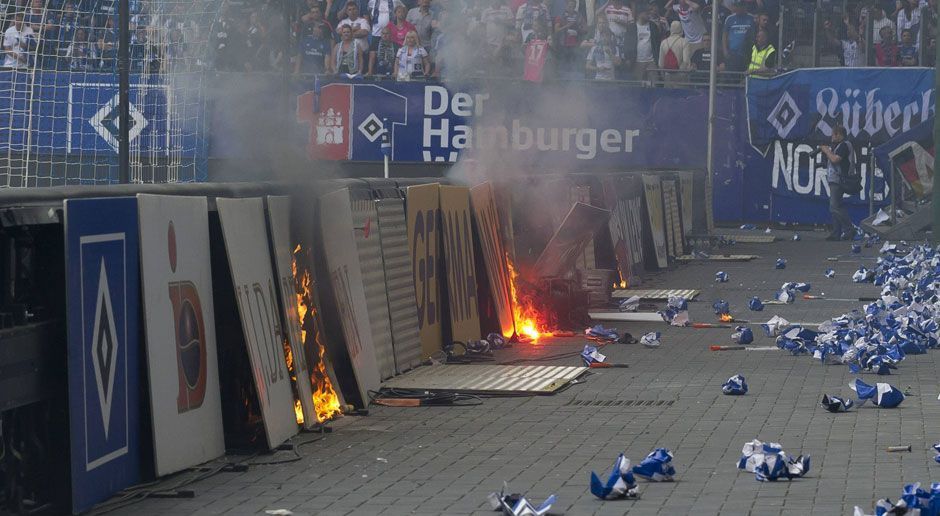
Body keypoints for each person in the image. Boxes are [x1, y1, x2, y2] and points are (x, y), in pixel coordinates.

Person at [820, 125, 856, 241]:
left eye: (833, 134)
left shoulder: (844, 145)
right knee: (837, 205)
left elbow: (835, 159)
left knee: (834, 207)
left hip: (839, 179)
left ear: (839, 134)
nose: (831, 137)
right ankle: (836, 233)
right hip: (835, 178)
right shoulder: (839, 146)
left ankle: (849, 229)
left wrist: (826, 151)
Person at [553, 0, 584, 75]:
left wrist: (578, 30)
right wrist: (567, 26)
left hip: (575, 45)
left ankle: (574, 83)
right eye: (570, 6)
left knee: (574, 67)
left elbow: (585, 29)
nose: (572, 8)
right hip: (563, 45)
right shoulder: (561, 15)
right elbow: (556, 30)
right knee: (563, 66)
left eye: (573, 7)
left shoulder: (578, 15)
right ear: (566, 6)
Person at [723, 0, 754, 72]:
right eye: (736, 6)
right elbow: (724, 35)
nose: (737, 8)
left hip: (747, 54)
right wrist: (725, 50)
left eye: (739, 6)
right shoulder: (729, 19)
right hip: (732, 53)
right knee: (732, 75)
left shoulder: (751, 18)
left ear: (744, 6)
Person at [632, 6, 660, 80]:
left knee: (653, 83)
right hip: (638, 61)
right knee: (638, 85)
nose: (648, 14)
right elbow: (629, 43)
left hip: (651, 61)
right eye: (646, 13)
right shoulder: (632, 27)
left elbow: (657, 42)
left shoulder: (653, 26)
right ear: (639, 14)